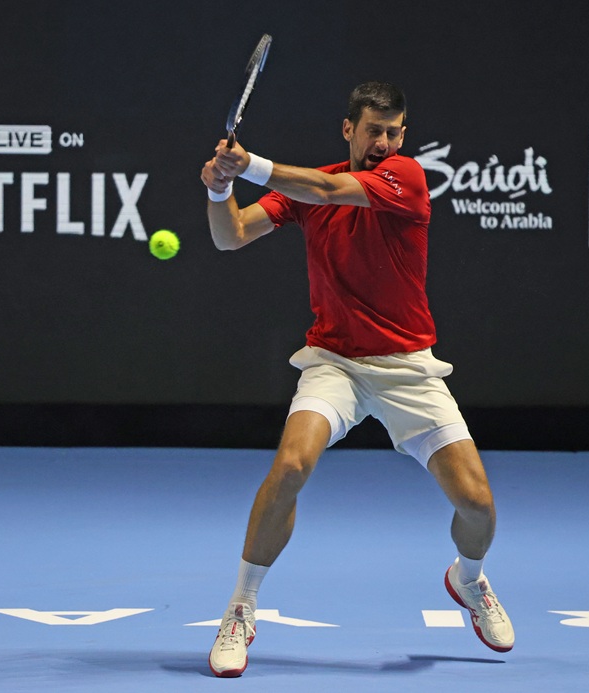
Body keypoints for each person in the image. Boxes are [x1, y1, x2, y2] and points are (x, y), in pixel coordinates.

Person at [199, 81, 514, 678]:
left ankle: (468, 579)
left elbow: (324, 190)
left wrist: (248, 164)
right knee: (290, 467)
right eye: (374, 131)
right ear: (349, 130)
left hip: (408, 367)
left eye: (395, 132)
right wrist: (220, 189)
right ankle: (240, 606)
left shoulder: (405, 178)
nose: (385, 142)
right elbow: (230, 235)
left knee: (477, 505)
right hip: (335, 362)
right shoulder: (306, 187)